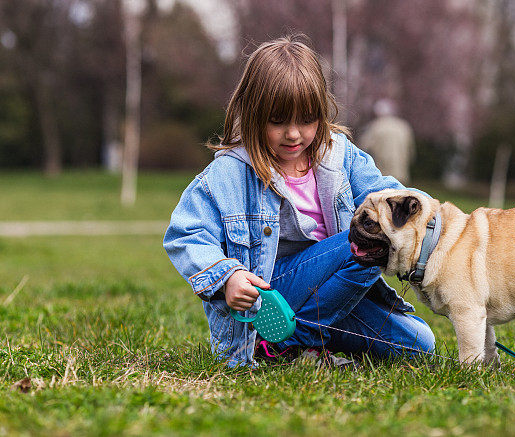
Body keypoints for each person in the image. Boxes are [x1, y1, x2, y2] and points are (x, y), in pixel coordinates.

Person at [163, 34, 435, 368]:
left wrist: (437, 225)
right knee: (368, 242)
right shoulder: (230, 172)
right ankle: (289, 342)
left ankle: (301, 338)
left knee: (420, 345)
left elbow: (391, 200)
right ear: (253, 114)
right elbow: (184, 234)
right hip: (269, 299)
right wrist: (227, 277)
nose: (294, 134)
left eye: (306, 119)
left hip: (331, 291)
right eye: (278, 121)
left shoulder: (340, 156)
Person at [359, 99, 415, 184]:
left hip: (383, 171)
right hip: (401, 171)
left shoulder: (375, 126)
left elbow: (363, 148)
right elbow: (411, 150)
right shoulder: (403, 126)